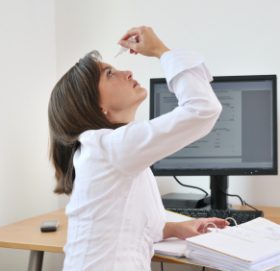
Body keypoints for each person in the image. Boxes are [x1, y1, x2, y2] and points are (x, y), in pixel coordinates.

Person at [48, 26, 228, 271]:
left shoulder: (112, 152)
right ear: (96, 106)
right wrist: (160, 51)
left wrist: (176, 228)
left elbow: (130, 221)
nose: (128, 72)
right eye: (110, 73)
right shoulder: (109, 148)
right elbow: (202, 109)